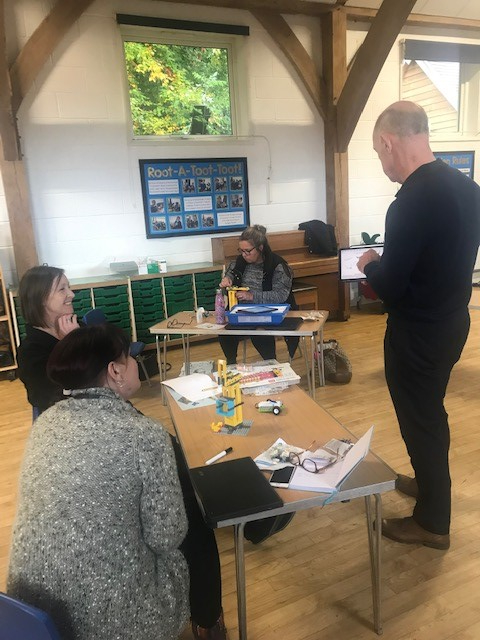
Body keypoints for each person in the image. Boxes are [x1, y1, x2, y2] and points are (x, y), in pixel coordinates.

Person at [7, 323, 226, 640]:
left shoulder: (46, 423)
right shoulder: (144, 435)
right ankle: (207, 619)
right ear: (115, 371)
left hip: (31, 617)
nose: (137, 362)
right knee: (189, 531)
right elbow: (167, 537)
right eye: (130, 357)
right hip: (110, 621)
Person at [357, 101, 480, 550]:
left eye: (377, 152)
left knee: (421, 421)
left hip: (418, 333)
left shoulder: (409, 202)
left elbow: (389, 286)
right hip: (452, 322)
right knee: (430, 415)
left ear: (389, 142)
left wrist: (370, 263)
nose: (381, 162)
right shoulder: (468, 188)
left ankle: (432, 523)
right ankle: (431, 488)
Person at [218, 224, 298, 364]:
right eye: (241, 250)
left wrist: (252, 296)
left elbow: (280, 296)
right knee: (225, 331)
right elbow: (229, 280)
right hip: (243, 311)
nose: (244, 255)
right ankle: (231, 363)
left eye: (247, 251)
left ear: (260, 248)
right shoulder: (238, 263)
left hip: (270, 312)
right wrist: (227, 282)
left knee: (259, 331)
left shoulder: (277, 266)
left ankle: (271, 363)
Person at [16, 265, 80, 416]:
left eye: (69, 287)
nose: (71, 294)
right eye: (62, 289)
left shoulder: (77, 326)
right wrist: (72, 345)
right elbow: (51, 398)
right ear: (41, 299)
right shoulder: (30, 352)